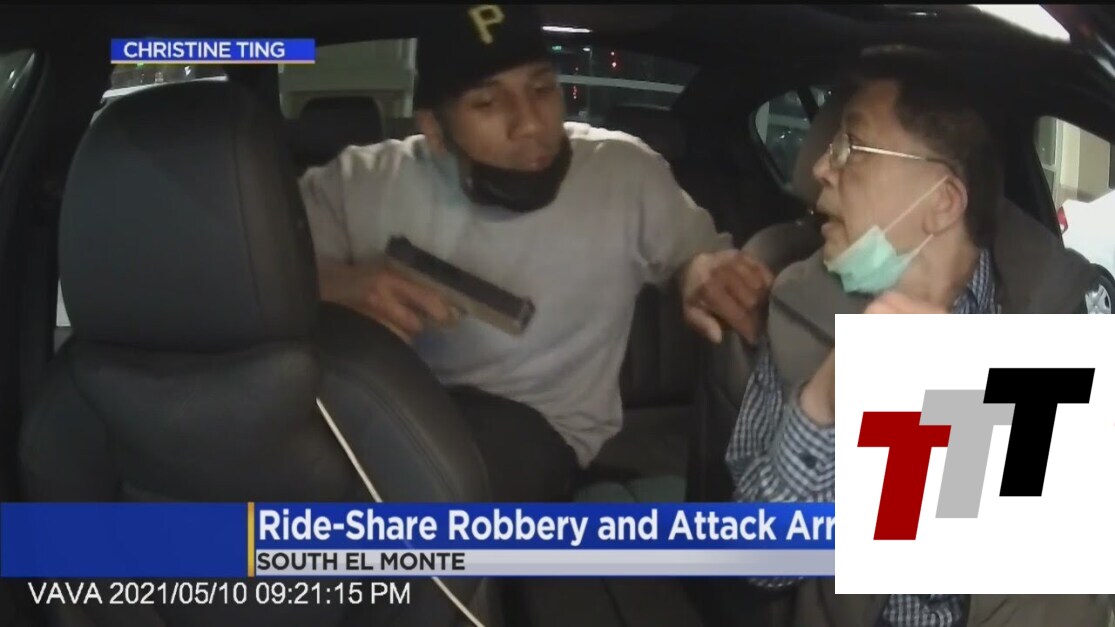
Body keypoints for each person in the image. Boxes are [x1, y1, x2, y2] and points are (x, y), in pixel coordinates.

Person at [298, 4, 767, 502]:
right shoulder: (357, 183)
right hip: (373, 413)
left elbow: (698, 258)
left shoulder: (624, 173)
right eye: (487, 102)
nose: (529, 124)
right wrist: (335, 285)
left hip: (536, 432)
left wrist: (699, 272)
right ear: (434, 129)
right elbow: (247, 284)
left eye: (542, 89)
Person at [724, 51, 1110, 626]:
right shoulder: (799, 311)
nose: (822, 167)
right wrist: (828, 397)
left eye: (851, 147)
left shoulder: (1069, 311)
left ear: (943, 201)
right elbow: (757, 560)